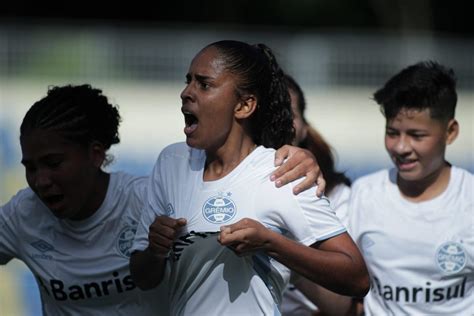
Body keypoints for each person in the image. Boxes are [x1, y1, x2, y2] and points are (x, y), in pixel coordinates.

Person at [0, 84, 325, 315]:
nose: (41, 181)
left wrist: (295, 160)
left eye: (54, 164)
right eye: (31, 167)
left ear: (95, 155)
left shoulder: (150, 199)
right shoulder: (22, 215)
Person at [130, 40, 370, 316]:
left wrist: (271, 242)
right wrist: (155, 250)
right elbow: (142, 277)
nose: (186, 92)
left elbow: (357, 278)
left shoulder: (283, 172)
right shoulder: (170, 163)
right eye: (188, 81)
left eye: (204, 84)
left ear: (244, 105)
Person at [345, 61, 473, 315]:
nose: (401, 147)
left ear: (450, 132)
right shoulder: (364, 194)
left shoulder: (469, 200)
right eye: (392, 133)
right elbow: (346, 294)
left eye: (417, 135)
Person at [281, 74, 356, 316]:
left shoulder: (337, 196)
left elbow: (344, 304)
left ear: (304, 127)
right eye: (267, 114)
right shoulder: (214, 180)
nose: (277, 124)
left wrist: (281, 248)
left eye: (287, 114)